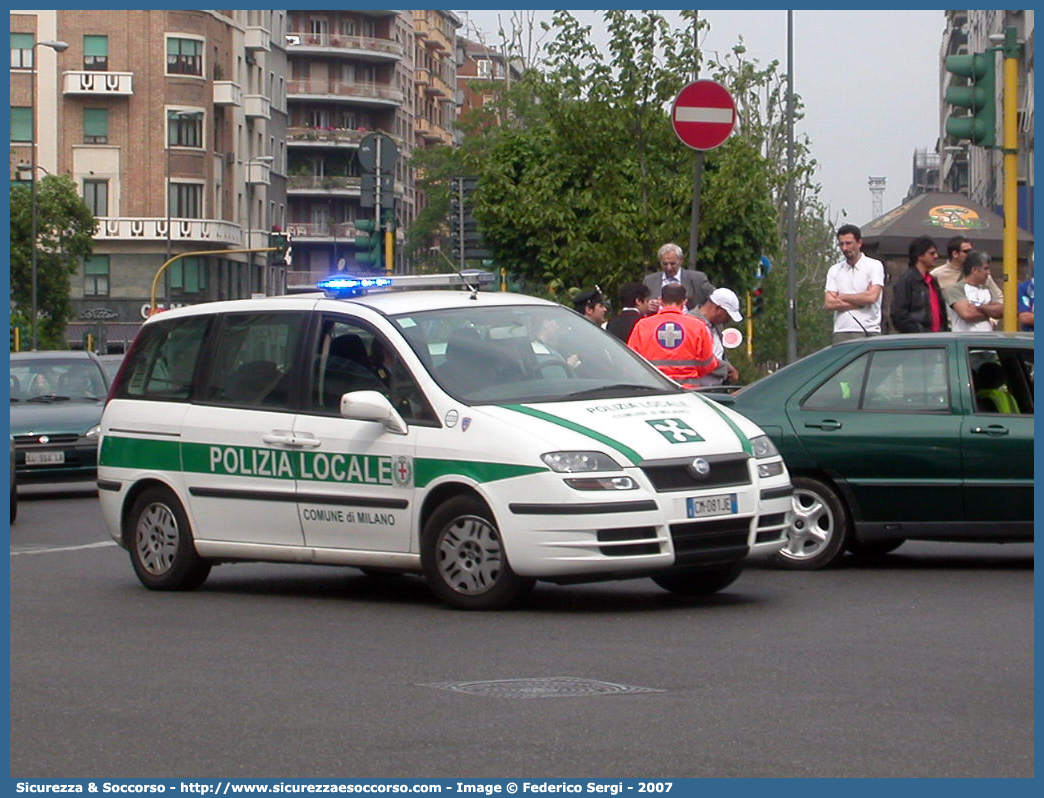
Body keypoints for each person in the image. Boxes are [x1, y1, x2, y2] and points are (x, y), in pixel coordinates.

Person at [627, 282, 717, 388]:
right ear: (684, 302)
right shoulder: (698, 326)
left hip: (652, 389)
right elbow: (708, 365)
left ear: (661, 300)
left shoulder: (643, 325)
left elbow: (630, 362)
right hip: (687, 391)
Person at [824, 224, 885, 343]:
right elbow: (829, 303)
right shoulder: (835, 270)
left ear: (859, 243)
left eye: (848, 243)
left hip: (869, 329)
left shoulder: (874, 266)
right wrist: (860, 302)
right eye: (841, 244)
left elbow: (871, 297)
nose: (845, 248)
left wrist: (841, 296)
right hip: (842, 330)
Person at [890, 236, 949, 334]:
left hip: (937, 337)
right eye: (931, 253)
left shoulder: (932, 281)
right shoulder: (907, 280)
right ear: (920, 256)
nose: (936, 256)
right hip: (918, 339)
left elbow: (940, 312)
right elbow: (899, 314)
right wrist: (917, 332)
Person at [689, 287, 743, 386]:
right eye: (727, 315)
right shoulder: (689, 323)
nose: (728, 320)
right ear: (717, 308)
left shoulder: (718, 326)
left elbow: (718, 352)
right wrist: (726, 368)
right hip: (697, 388)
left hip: (716, 387)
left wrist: (727, 367)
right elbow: (699, 358)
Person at [942, 250, 1003, 332]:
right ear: (974, 270)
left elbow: (1001, 311)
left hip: (987, 341)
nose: (988, 272)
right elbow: (967, 314)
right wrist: (989, 311)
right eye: (985, 268)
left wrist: (980, 307)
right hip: (965, 341)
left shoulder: (986, 289)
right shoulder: (956, 290)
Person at [643, 243, 714, 312]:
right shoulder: (649, 281)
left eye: (672, 263)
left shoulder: (697, 278)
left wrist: (702, 312)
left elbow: (716, 297)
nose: (669, 268)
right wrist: (647, 306)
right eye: (664, 264)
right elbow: (639, 304)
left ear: (681, 261)